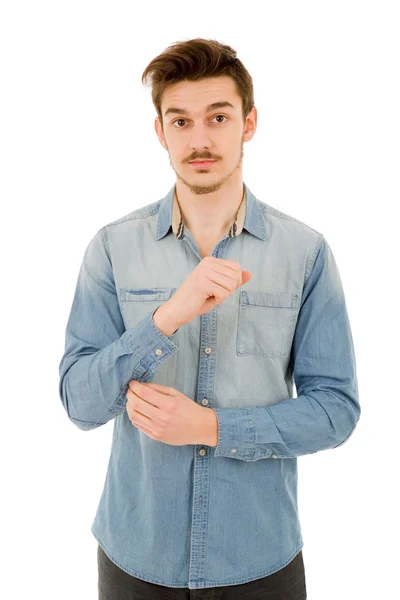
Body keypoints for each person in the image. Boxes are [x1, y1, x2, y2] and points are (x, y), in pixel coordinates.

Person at [58, 37, 361, 599]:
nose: (199, 139)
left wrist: (213, 429)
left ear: (248, 123)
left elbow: (336, 410)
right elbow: (78, 403)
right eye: (180, 121)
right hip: (135, 558)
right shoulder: (111, 248)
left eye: (217, 117)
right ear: (160, 132)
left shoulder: (306, 252)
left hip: (260, 560)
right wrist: (167, 317)